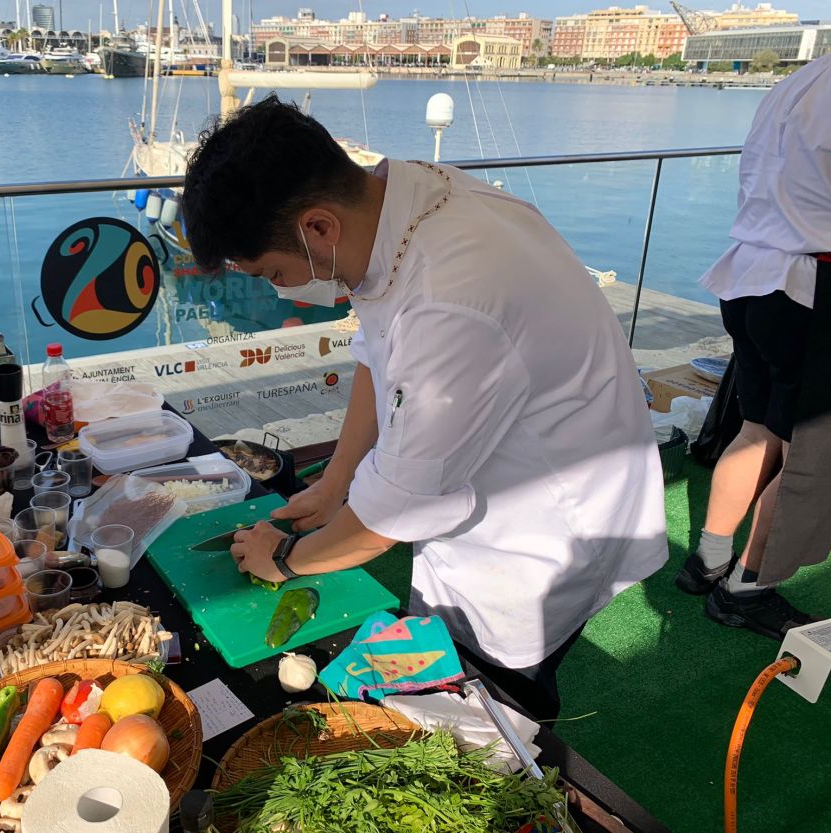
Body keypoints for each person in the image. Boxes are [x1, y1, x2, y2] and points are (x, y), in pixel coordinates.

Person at [181, 96, 668, 723]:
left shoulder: (451, 301)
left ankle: (525, 742)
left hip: (542, 526)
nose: (277, 289)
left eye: (273, 271)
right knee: (436, 661)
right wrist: (335, 484)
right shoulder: (395, 197)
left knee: (496, 701)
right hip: (507, 463)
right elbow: (375, 353)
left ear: (318, 227)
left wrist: (284, 558)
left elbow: (395, 511)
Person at [675, 55, 831, 639]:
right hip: (810, 285)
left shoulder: (801, 80)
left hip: (754, 275)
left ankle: (709, 559)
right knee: (804, 454)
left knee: (758, 425)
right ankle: (747, 587)